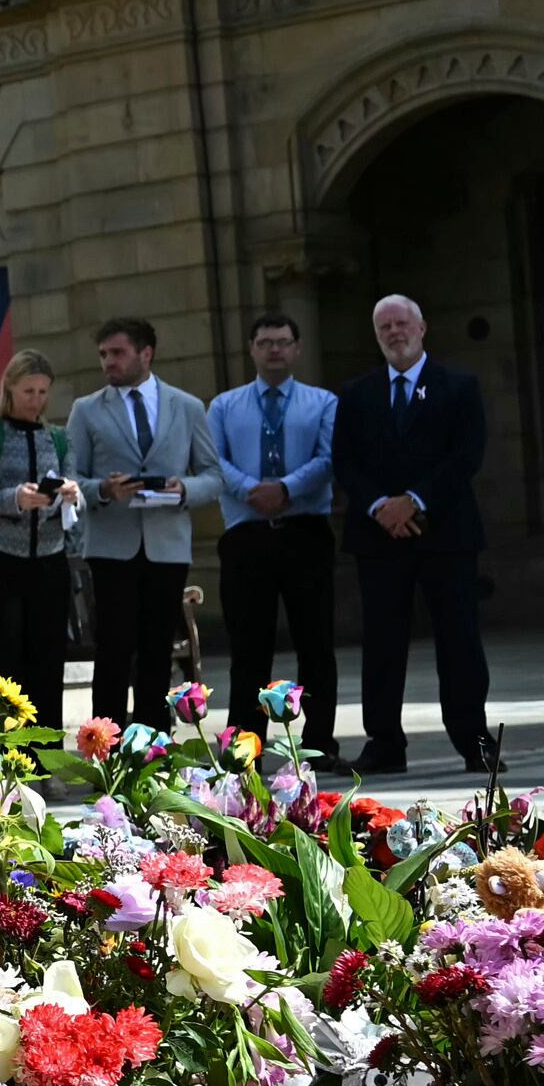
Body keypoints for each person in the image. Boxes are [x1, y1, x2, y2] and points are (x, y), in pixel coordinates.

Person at [338, 290, 497, 781]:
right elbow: (345, 461)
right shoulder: (357, 394)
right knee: (383, 643)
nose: (394, 332)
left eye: (402, 323)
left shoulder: (458, 386)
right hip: (379, 537)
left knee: (460, 640)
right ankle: (384, 742)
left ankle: (475, 742)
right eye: (384, 325)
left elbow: (466, 455)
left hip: (446, 534)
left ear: (422, 328)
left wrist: (416, 500)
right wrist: (381, 506)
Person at [66, 318, 219, 729]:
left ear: (145, 353)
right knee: (113, 651)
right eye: (103, 355)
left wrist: (182, 488)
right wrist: (102, 489)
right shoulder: (86, 409)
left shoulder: (185, 406)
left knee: (158, 650)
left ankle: (155, 745)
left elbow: (213, 475)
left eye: (117, 353)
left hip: (167, 544)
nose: (108, 363)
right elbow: (70, 477)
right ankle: (106, 746)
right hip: (111, 547)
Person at [208, 309, 341, 758]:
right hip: (247, 535)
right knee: (248, 647)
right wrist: (252, 489)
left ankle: (320, 742)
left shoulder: (323, 402)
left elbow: (328, 459)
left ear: (297, 348)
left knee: (316, 643)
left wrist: (286, 488)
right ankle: (247, 748)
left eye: (283, 341)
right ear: (251, 349)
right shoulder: (224, 406)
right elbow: (214, 460)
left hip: (305, 531)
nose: (274, 350)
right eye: (265, 342)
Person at [0, 350, 82, 732]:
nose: (36, 400)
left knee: (47, 663)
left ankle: (45, 761)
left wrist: (72, 494)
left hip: (48, 559)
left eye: (43, 391)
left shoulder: (58, 438)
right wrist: (14, 498)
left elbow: (75, 491)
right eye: (29, 390)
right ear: (9, 388)